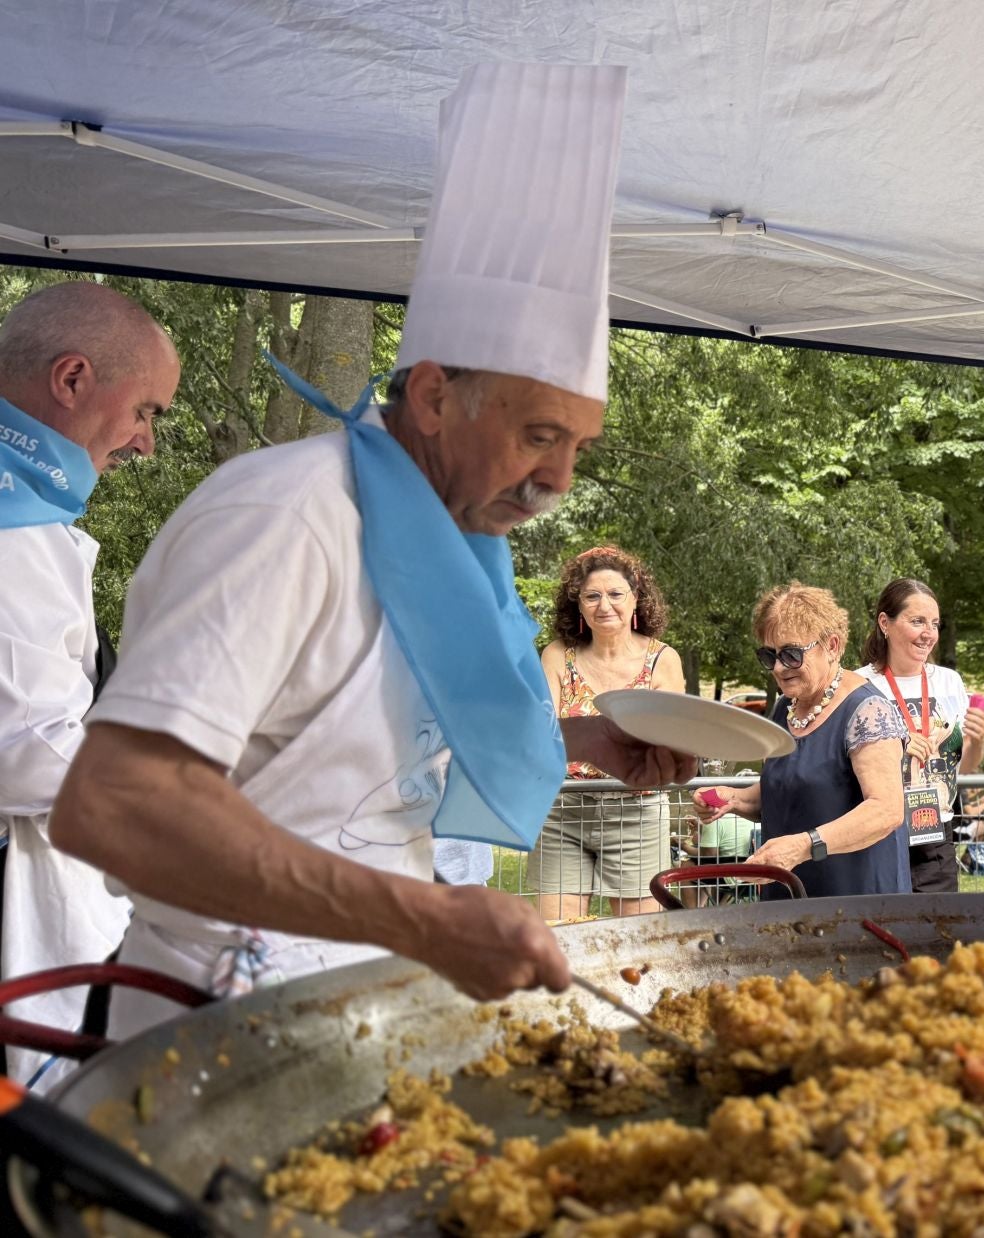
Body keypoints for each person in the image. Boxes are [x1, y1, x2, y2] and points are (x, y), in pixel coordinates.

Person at [50, 66, 694, 1039]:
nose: (560, 478)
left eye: (576, 447)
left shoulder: (445, 538)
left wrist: (586, 745)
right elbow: (116, 802)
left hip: (364, 1001)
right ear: (433, 395)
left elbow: (350, 752)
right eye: (537, 436)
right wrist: (428, 915)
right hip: (228, 1013)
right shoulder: (285, 516)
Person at [0, 281, 177, 1083]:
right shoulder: (15, 532)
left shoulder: (27, 511)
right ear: (72, 380)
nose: (145, 443)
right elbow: (27, 752)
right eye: (146, 411)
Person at [692, 583, 909, 896]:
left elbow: (886, 810)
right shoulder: (787, 707)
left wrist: (804, 846)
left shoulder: (867, 710)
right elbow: (793, 791)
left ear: (832, 646)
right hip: (789, 896)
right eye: (770, 656)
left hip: (855, 900)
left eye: (792, 654)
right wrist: (734, 799)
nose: (779, 668)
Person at [532, 546, 686, 919]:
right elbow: (543, 737)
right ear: (579, 605)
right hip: (564, 809)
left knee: (637, 941)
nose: (605, 605)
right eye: (592, 595)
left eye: (616, 594)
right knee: (560, 935)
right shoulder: (557, 655)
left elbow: (673, 739)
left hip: (637, 811)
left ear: (636, 599)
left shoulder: (662, 660)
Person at [854, 578, 984, 892]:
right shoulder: (858, 685)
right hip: (878, 831)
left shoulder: (949, 682)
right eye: (917, 622)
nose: (928, 633)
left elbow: (963, 768)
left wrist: (978, 740)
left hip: (935, 832)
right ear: (885, 623)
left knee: (935, 933)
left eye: (934, 624)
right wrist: (896, 744)